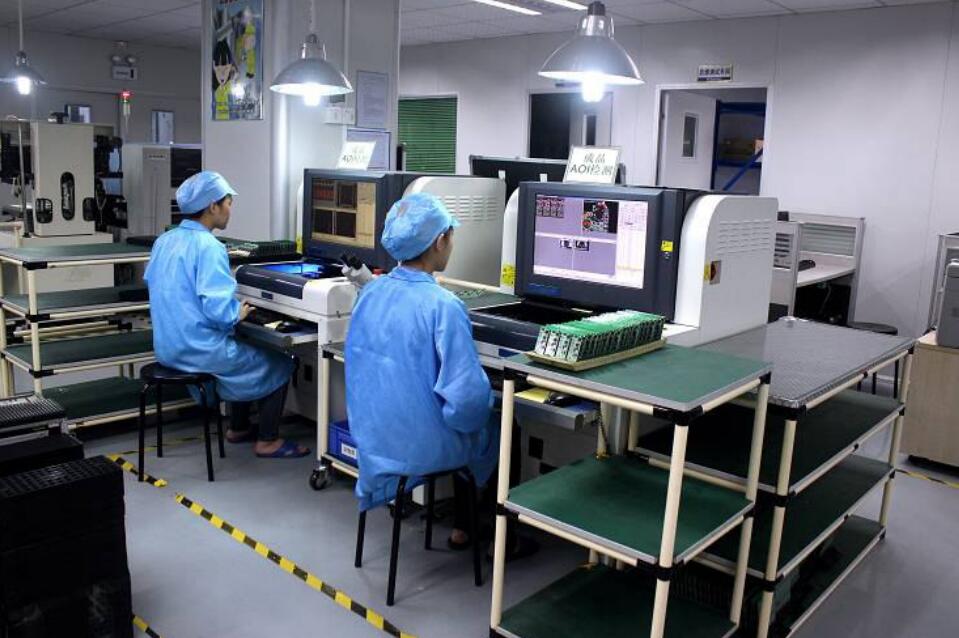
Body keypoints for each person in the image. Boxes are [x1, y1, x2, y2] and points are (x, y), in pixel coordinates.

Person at [346, 193, 534, 557]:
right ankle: (500, 539)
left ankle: (464, 528)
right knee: (500, 425)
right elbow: (466, 402)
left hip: (375, 438)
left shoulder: (370, 292)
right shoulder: (443, 306)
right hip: (421, 446)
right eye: (451, 234)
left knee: (463, 419)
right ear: (439, 241)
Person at [144, 171, 308, 459]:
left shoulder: (165, 241)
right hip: (199, 349)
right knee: (281, 363)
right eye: (229, 203)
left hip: (168, 346)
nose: (230, 210)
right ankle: (268, 440)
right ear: (213, 206)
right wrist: (238, 312)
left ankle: (239, 428)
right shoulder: (209, 247)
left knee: (244, 347)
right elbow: (218, 311)